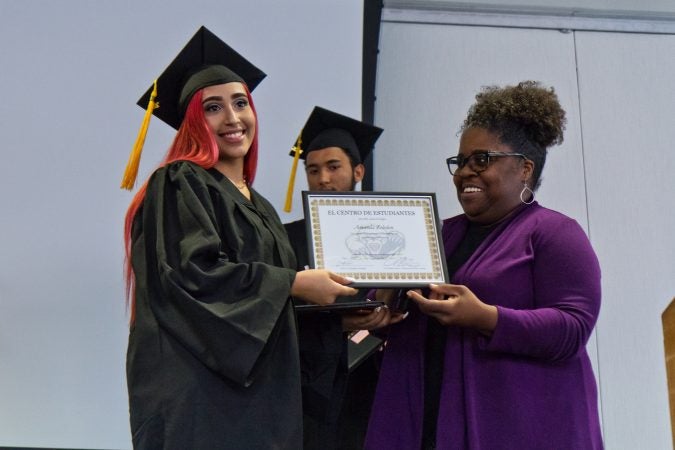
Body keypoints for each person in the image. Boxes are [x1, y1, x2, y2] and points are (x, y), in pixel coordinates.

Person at [120, 27, 357, 449]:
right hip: (202, 397)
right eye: (213, 107)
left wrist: (341, 319)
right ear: (194, 121)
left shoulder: (261, 206)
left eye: (241, 103)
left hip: (260, 396)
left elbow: (267, 311)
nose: (232, 118)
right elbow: (194, 276)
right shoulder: (179, 182)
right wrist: (295, 283)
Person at [364, 81, 603, 449]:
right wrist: (384, 303)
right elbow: (395, 311)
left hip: (515, 428)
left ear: (525, 168)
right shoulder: (435, 234)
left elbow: (572, 329)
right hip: (426, 419)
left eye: (482, 160)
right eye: (460, 162)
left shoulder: (555, 233)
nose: (464, 172)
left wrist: (486, 317)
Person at [283, 107, 401, 449]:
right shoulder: (285, 238)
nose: (323, 179)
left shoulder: (388, 231)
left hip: (376, 383)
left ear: (358, 171)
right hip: (311, 390)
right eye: (313, 169)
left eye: (333, 167)